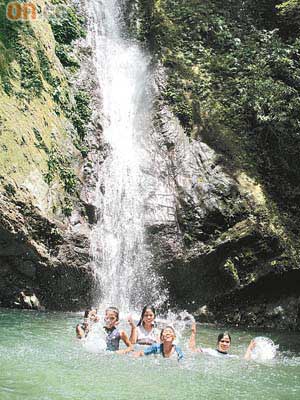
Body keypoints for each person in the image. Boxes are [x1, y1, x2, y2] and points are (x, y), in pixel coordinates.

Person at [189, 322, 255, 359]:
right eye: (222, 341)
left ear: (230, 344)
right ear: (218, 343)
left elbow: (245, 360)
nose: (224, 344)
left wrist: (250, 348)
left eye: (227, 342)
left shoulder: (231, 357)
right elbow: (192, 350)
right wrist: (193, 333)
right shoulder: (209, 351)